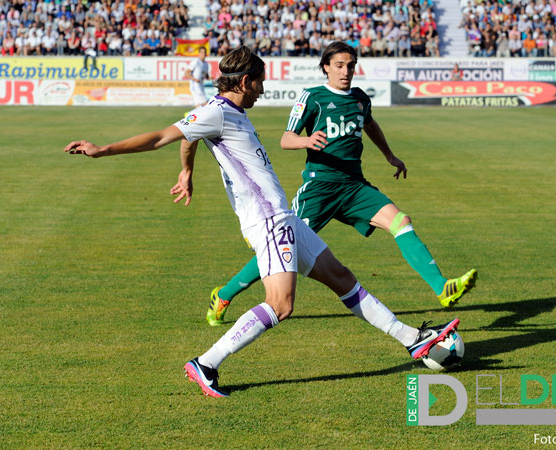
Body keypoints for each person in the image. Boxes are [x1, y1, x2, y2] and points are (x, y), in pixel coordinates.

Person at [64, 46, 460, 398]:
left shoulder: (223, 112)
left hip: (285, 217)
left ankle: (413, 340)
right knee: (281, 304)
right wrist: (101, 151)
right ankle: (206, 363)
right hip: (268, 220)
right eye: (261, 84)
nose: (264, 91)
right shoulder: (217, 111)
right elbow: (161, 137)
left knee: (343, 279)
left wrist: (186, 173)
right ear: (246, 80)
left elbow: (188, 137)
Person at [206, 42, 477, 328]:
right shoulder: (314, 97)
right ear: (326, 67)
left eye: (350, 65)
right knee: (283, 246)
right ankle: (224, 294)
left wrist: (389, 155)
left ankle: (442, 288)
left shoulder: (360, 99)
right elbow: (286, 139)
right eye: (339, 65)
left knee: (401, 221)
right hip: (319, 188)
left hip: (353, 187)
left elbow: (369, 124)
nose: (345, 71)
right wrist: (306, 141)